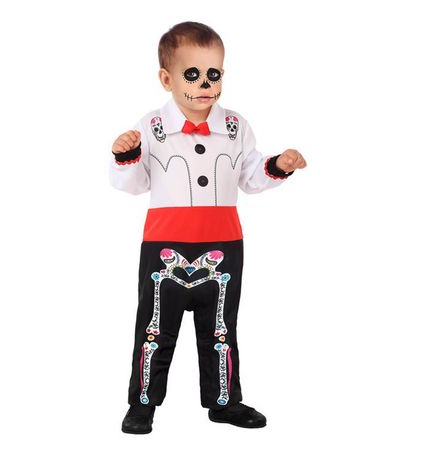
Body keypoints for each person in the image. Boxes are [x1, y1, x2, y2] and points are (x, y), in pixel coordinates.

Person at [110, 21, 307, 434]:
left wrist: (278, 166)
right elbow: (133, 184)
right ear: (167, 79)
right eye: (192, 74)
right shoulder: (150, 127)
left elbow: (251, 176)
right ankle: (143, 403)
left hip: (223, 245)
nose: (205, 83)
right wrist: (126, 156)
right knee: (154, 328)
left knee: (220, 329)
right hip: (165, 245)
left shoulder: (235, 126)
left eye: (213, 74)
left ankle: (224, 401)